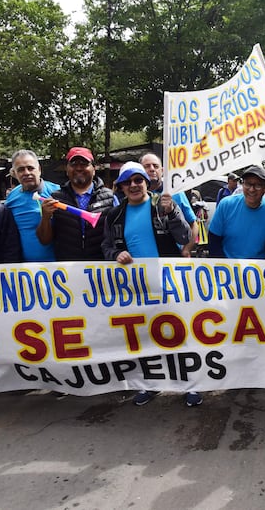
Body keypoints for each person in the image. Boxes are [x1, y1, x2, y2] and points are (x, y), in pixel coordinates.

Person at [100, 162, 197, 407]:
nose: (133, 185)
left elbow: (185, 237)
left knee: (181, 333)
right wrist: (115, 255)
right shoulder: (114, 215)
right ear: (121, 187)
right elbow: (106, 246)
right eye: (127, 182)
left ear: (147, 182)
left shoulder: (161, 206)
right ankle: (150, 384)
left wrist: (173, 211)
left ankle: (191, 385)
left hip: (170, 283)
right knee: (146, 337)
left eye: (138, 180)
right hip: (137, 288)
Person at [36, 147, 117, 261]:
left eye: (84, 164)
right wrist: (45, 218)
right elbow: (44, 240)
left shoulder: (110, 197)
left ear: (94, 169)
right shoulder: (56, 198)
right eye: (73, 164)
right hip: (68, 271)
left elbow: (119, 235)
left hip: (101, 269)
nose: (79, 168)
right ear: (67, 169)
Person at [208, 165, 265, 259]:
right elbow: (214, 240)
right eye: (247, 184)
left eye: (257, 185)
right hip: (228, 268)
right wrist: (224, 267)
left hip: (259, 270)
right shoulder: (226, 205)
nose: (251, 189)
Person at [5, 150, 60, 262]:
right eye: (20, 170)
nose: (26, 173)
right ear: (14, 174)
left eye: (30, 168)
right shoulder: (11, 198)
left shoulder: (57, 192)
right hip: (25, 270)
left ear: (39, 169)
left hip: (58, 268)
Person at [141, 152, 197, 258]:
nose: (152, 169)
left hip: (172, 259)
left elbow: (193, 224)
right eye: (147, 166)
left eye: (155, 166)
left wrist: (186, 249)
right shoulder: (134, 197)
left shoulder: (175, 192)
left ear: (162, 171)